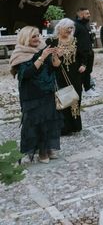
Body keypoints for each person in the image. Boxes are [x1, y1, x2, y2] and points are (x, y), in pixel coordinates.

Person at [10, 27, 63, 163]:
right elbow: (26, 74)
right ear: (26, 38)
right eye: (33, 36)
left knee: (48, 121)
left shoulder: (43, 47)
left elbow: (55, 67)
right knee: (36, 124)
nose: (37, 39)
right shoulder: (20, 53)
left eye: (38, 35)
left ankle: (48, 148)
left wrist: (56, 55)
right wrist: (42, 56)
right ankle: (40, 152)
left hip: (47, 91)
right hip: (32, 94)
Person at [48, 19, 83, 135]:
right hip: (59, 74)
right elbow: (47, 59)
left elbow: (83, 54)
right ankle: (64, 127)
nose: (69, 30)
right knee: (63, 99)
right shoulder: (52, 41)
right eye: (67, 28)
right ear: (59, 28)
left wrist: (84, 64)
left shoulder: (75, 40)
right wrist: (56, 56)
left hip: (75, 74)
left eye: (71, 28)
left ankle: (75, 125)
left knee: (75, 98)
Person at [74, 7, 97, 98]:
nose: (89, 15)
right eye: (87, 13)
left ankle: (88, 88)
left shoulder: (86, 24)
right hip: (81, 54)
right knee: (82, 72)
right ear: (81, 15)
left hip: (89, 51)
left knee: (88, 71)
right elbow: (78, 42)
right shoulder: (76, 25)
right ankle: (85, 89)